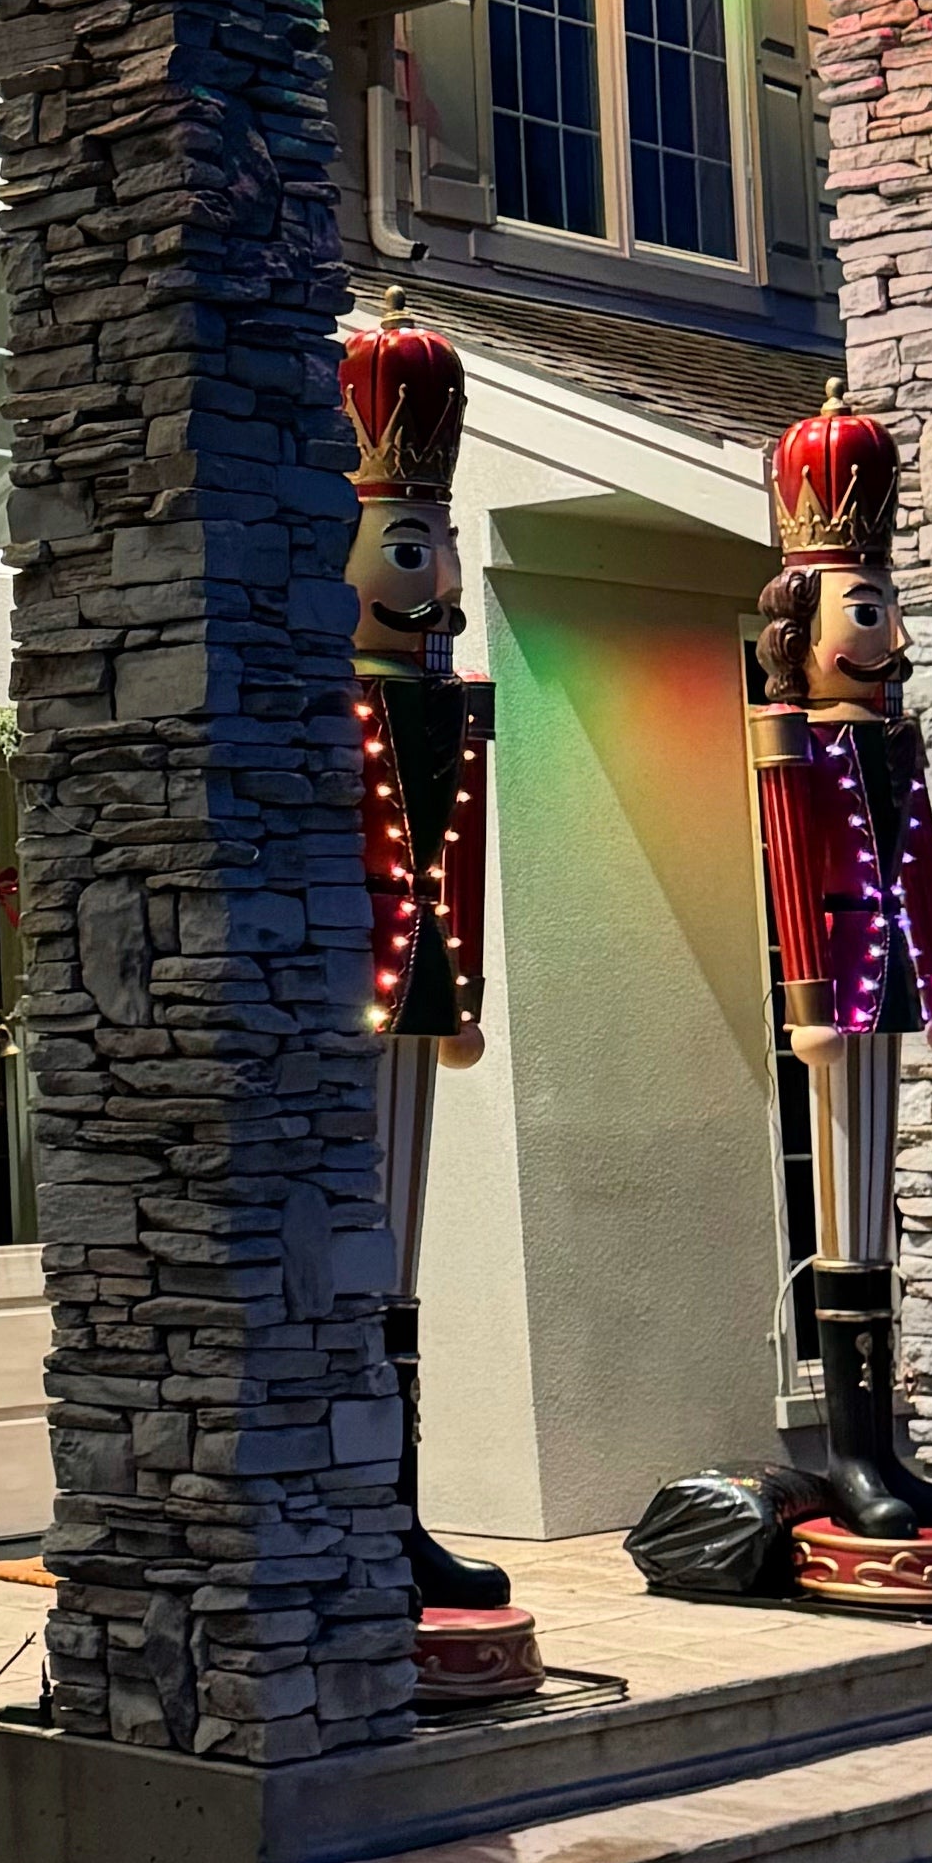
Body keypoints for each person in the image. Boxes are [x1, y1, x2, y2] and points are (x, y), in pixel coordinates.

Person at [753, 391, 932, 1605]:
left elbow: (923, 870)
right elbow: (789, 868)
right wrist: (806, 996)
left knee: (879, 1216)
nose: (888, 632)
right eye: (866, 610)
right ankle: (853, 1456)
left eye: (887, 607)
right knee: (844, 1210)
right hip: (839, 996)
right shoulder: (790, 742)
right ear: (800, 624)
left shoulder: (892, 745)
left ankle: (884, 1448)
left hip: (896, 979)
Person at [341, 311, 527, 1684]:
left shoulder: (449, 701)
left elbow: (455, 845)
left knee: (403, 1258)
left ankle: (398, 1514)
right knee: (360, 1250)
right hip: (350, 1001)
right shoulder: (328, 705)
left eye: (446, 545)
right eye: (415, 547)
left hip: (420, 998)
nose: (446, 577)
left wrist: (459, 985)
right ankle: (361, 1514)